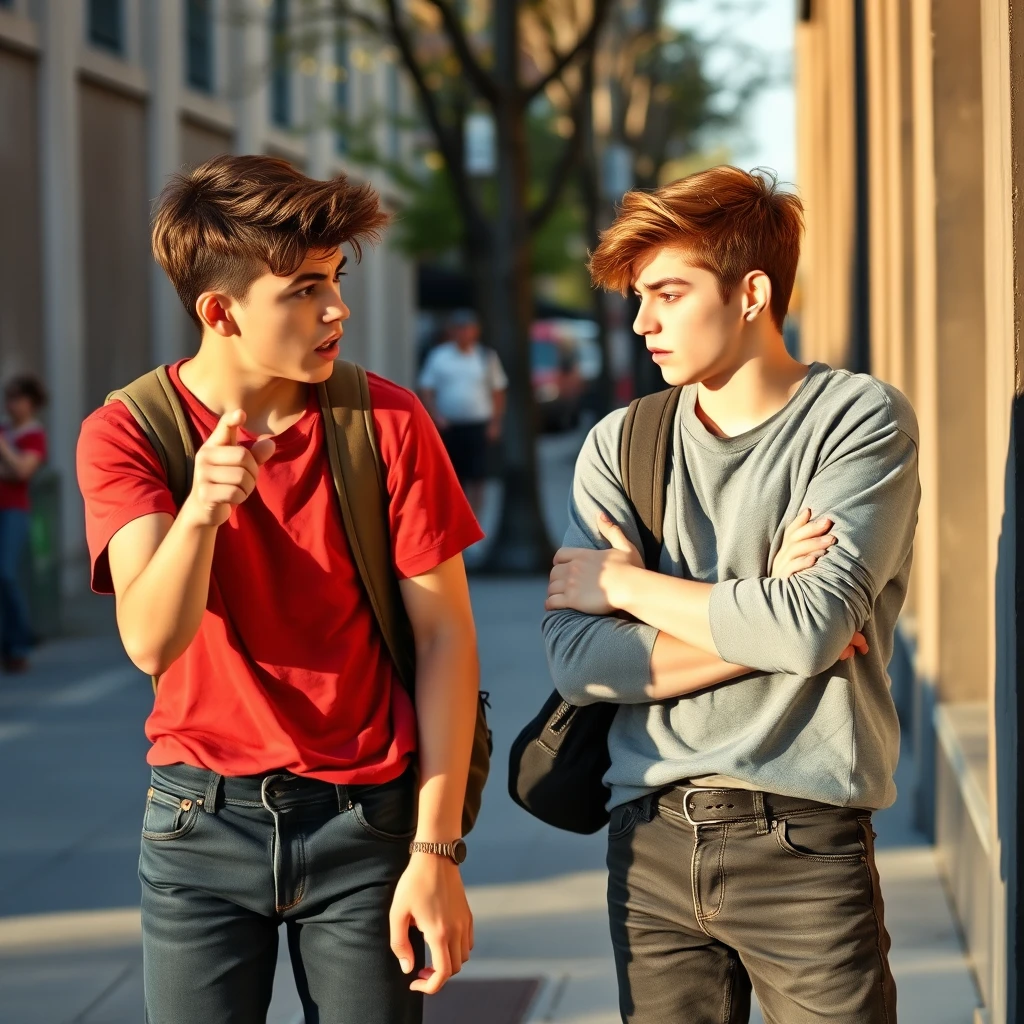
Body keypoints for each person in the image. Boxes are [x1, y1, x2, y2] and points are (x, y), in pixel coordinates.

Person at [76, 155, 483, 1024]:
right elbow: (149, 640)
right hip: (199, 828)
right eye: (302, 289)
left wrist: (436, 849)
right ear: (219, 311)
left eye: (336, 280)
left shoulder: (387, 421)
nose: (336, 308)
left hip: (366, 827)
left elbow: (446, 637)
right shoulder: (128, 433)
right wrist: (200, 513)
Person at [543, 166, 919, 1024]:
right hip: (648, 844)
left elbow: (810, 627)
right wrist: (763, 612)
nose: (643, 323)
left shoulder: (857, 420)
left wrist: (625, 585)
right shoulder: (622, 442)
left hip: (804, 841)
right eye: (639, 298)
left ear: (751, 293)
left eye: (668, 294)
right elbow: (579, 662)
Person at [418, 310, 507, 518]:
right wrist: (435, 416)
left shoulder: (486, 357)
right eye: (460, 328)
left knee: (478, 475)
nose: (464, 333)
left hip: (478, 424)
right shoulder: (440, 356)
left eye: (468, 328)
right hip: (449, 426)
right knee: (453, 475)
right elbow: (427, 389)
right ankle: (455, 517)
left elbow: (498, 390)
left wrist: (495, 422)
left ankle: (476, 518)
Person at [0, 374, 48, 673]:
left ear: (31, 402)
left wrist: (4, 449)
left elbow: (21, 471)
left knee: (6, 574)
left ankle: (20, 640)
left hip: (14, 511)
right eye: (9, 396)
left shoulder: (33, 435)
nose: (12, 403)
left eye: (18, 397)